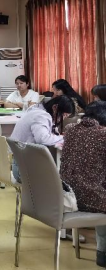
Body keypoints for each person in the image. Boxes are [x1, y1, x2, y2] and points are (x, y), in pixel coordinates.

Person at [60, 101, 106, 268]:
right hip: (90, 199)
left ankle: (102, 252)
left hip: (67, 195)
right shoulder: (103, 135)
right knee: (100, 192)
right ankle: (102, 252)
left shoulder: (70, 129)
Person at [10, 95, 75, 182]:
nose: (63, 118)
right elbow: (42, 139)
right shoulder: (41, 116)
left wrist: (58, 136)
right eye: (64, 115)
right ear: (55, 108)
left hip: (22, 165)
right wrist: (64, 137)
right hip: (24, 171)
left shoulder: (37, 110)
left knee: (60, 177)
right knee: (61, 180)